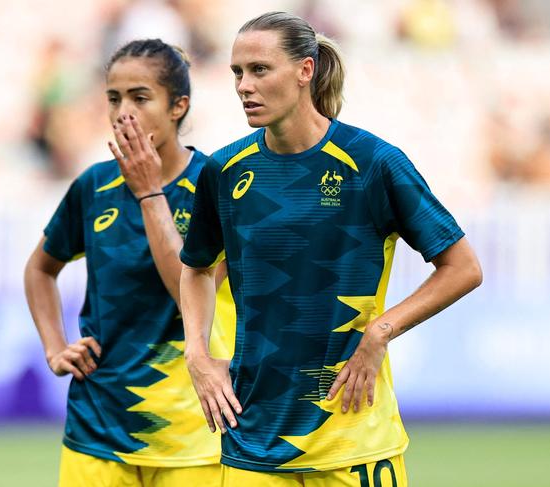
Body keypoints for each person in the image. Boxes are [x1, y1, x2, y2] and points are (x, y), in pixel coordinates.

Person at [180, 11, 482, 487]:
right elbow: (195, 268)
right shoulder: (225, 170)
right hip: (252, 442)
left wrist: (380, 332)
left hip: (354, 439)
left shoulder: (373, 163)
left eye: (260, 69)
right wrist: (196, 353)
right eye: (237, 72)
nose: (243, 85)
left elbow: (462, 266)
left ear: (305, 70)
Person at [24, 39, 234, 487]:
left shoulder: (217, 184)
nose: (124, 112)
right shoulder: (94, 185)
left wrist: (148, 192)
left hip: (192, 433)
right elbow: (40, 268)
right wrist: (55, 348)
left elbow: (189, 293)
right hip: (96, 427)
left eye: (140, 98)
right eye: (114, 98)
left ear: (179, 106)